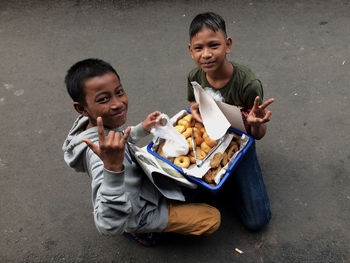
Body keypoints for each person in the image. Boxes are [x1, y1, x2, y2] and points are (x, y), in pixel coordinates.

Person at [62, 58, 220, 246]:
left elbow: (121, 137)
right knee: (212, 218)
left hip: (142, 185)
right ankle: (138, 230)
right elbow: (107, 225)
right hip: (140, 212)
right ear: (82, 108)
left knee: (190, 187)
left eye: (119, 92)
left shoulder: (100, 125)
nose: (117, 103)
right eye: (104, 99)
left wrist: (141, 129)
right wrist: (112, 169)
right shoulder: (99, 158)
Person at [186, 12, 274, 230]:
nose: (206, 54)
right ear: (190, 50)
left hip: (241, 142)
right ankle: (225, 184)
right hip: (210, 139)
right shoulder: (194, 77)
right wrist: (195, 112)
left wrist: (255, 123)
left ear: (228, 44)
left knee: (257, 221)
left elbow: (258, 135)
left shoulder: (247, 84)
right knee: (183, 197)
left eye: (214, 45)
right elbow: (192, 104)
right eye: (199, 48)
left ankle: (231, 183)